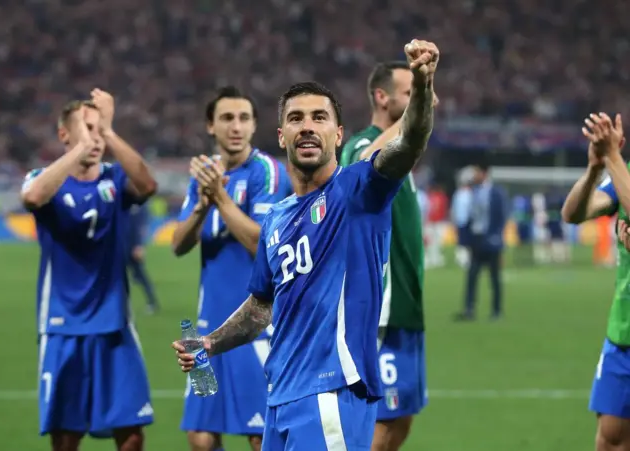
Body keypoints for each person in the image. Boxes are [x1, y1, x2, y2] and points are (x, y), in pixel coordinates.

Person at [173, 39, 439, 451]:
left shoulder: (358, 189)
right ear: (282, 136)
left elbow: (409, 142)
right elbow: (261, 306)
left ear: (338, 133)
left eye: (319, 117)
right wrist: (211, 342)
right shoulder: (277, 218)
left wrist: (422, 86)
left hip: (332, 393)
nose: (308, 126)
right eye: (296, 118)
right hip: (280, 397)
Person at [21, 90, 157, 451]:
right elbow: (33, 198)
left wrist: (110, 134)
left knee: (131, 434)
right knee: (65, 437)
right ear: (64, 134)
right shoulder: (43, 178)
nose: (93, 138)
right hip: (62, 326)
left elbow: (147, 186)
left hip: (114, 324)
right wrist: (80, 151)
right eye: (85, 129)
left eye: (98, 130)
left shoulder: (113, 179)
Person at [172, 86, 292, 451]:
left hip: (253, 327)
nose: (235, 126)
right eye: (226, 118)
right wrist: (202, 203)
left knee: (260, 436)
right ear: (211, 126)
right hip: (207, 325)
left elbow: (260, 244)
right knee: (201, 437)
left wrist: (219, 198)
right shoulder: (205, 175)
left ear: (255, 125)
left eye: (243, 118)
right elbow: (179, 245)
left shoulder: (267, 172)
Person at [338, 60, 431, 451]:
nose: (420, 102)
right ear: (381, 96)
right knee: (381, 424)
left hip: (408, 307)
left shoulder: (403, 159)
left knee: (399, 424)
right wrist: (415, 113)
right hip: (382, 311)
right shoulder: (363, 144)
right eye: (410, 94)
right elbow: (362, 166)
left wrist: (419, 105)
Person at [561, 112, 630, 451]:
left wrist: (613, 156)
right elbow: (573, 213)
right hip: (623, 335)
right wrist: (595, 169)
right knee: (610, 440)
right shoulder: (625, 171)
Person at [454, 162, 508, 321]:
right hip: (476, 240)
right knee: (471, 277)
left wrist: (496, 236)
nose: (473, 176)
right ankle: (469, 309)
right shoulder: (473, 192)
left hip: (491, 241)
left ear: (484, 173)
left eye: (476, 172)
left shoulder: (497, 193)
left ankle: (496, 311)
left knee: (495, 278)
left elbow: (501, 216)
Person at [127, 202, 160, 314]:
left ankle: (152, 302)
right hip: (120, 245)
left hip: (132, 245)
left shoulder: (139, 204)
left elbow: (142, 226)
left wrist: (139, 245)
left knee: (140, 275)